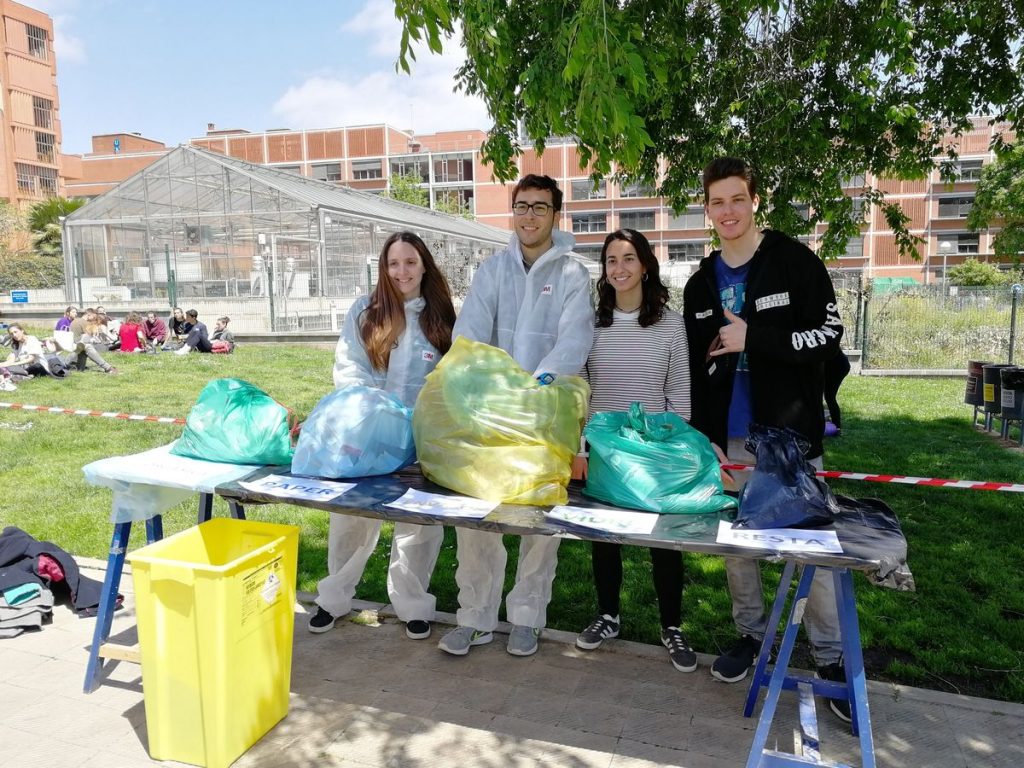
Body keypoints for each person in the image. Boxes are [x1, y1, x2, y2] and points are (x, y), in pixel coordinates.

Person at [683, 156, 848, 720]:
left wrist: (758, 339)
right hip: (729, 439)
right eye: (716, 202)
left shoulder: (795, 262)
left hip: (791, 438)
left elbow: (828, 335)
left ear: (755, 200)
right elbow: (696, 363)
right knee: (739, 549)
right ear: (706, 209)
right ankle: (753, 637)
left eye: (737, 199)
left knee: (813, 551)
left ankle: (829, 659)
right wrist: (704, 435)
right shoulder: (701, 282)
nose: (727, 211)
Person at [438, 174, 595, 658]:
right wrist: (487, 390)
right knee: (476, 517)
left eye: (540, 208)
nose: (529, 216)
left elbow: (573, 340)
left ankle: (527, 617)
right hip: (489, 412)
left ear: (555, 215)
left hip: (544, 415)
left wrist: (537, 390)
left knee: (539, 520)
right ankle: (476, 617)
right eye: (522, 206)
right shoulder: (491, 271)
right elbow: (470, 335)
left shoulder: (572, 274)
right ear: (513, 211)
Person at [308, 231, 456, 640]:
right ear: (383, 268)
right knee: (351, 519)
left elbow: (448, 378)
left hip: (420, 441)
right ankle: (334, 597)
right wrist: (369, 414)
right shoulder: (366, 310)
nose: (402, 271)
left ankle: (413, 604)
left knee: (418, 526)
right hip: (367, 436)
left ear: (424, 264)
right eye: (393, 263)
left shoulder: (440, 316)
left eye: (410, 262)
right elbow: (349, 367)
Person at [572, 229, 697, 672]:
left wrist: (671, 444)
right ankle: (607, 615)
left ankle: (672, 626)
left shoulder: (671, 323)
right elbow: (582, 390)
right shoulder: (592, 322)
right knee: (604, 537)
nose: (619, 268)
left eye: (628, 259)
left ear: (645, 265)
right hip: (605, 449)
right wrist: (583, 446)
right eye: (611, 260)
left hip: (655, 450)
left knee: (665, 541)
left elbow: (679, 392)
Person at [67, 308, 117, 374]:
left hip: (75, 348)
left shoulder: (74, 321)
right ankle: (108, 368)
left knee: (85, 346)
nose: (94, 318)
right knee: (88, 346)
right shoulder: (86, 324)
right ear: (89, 315)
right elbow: (92, 339)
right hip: (77, 349)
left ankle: (107, 367)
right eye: (94, 317)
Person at [824, 350, 851, 436]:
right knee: (828, 396)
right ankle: (835, 426)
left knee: (829, 397)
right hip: (834, 364)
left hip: (837, 366)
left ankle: (837, 427)